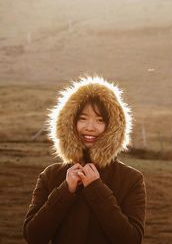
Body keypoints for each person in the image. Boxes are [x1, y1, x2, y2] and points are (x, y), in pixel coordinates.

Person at [23, 76, 146, 244]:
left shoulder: (131, 180)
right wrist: (65, 191)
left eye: (100, 120)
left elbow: (131, 240)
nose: (90, 127)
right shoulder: (50, 176)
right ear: (69, 122)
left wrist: (96, 188)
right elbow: (33, 236)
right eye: (82, 118)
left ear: (113, 127)